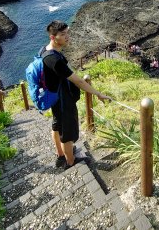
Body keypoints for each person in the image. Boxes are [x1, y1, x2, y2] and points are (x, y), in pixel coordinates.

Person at [41, 20, 110, 169]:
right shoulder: (54, 60)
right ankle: (70, 162)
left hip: (54, 98)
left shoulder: (45, 51)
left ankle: (61, 155)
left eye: (67, 33)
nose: (67, 37)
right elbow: (78, 81)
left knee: (57, 126)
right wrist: (98, 94)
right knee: (67, 133)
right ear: (53, 37)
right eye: (63, 34)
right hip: (63, 100)